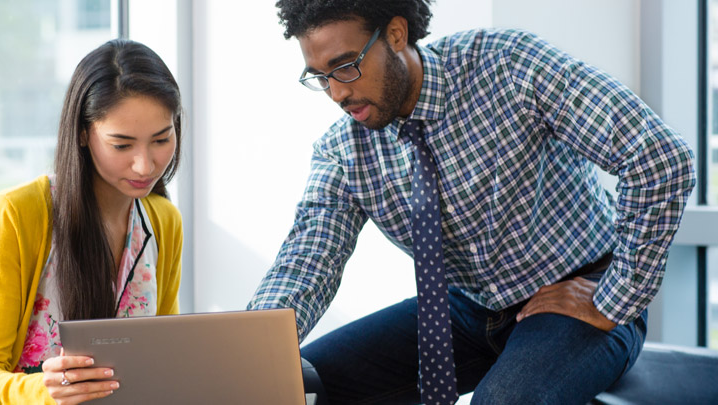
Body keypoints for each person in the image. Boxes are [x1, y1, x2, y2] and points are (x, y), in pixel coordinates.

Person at [248, 1, 695, 404]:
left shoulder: (508, 63)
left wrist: (616, 296)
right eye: (321, 77)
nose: (338, 94)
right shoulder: (343, 150)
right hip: (467, 307)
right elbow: (307, 261)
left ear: (396, 34)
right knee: (298, 380)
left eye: (346, 67)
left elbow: (659, 157)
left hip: (576, 293)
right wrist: (243, 352)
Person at [0, 39, 184, 405]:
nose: (145, 165)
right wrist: (45, 389)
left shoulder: (163, 221)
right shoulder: (17, 214)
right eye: (122, 145)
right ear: (83, 134)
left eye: (161, 139)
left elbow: (164, 361)